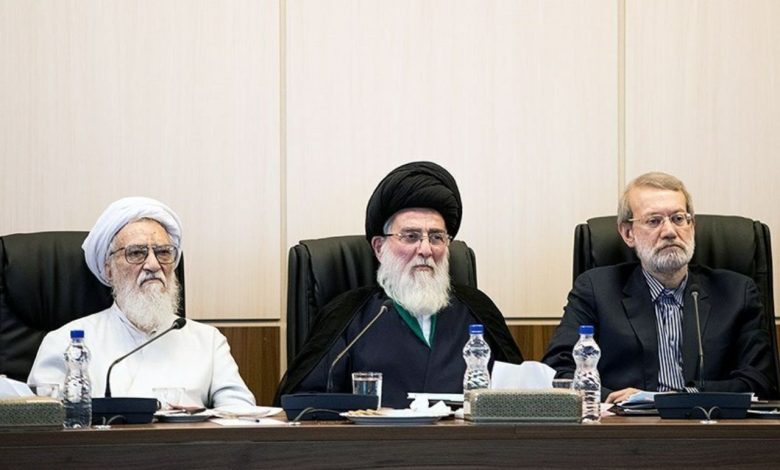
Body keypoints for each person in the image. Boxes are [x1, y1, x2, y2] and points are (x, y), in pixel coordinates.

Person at [275, 161, 523, 408]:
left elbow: (521, 400)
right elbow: (303, 405)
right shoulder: (347, 317)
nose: (425, 249)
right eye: (411, 236)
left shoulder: (478, 310)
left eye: (436, 237)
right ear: (379, 247)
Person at [543, 172, 775, 402]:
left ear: (692, 226)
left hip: (708, 422)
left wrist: (679, 398)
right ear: (628, 233)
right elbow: (557, 372)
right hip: (624, 423)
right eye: (654, 221)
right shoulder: (596, 290)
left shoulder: (737, 293)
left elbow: (760, 380)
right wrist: (611, 399)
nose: (670, 232)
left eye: (678, 218)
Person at [28, 197, 255, 408]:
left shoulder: (208, 342)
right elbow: (41, 421)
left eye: (163, 252)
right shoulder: (64, 343)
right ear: (109, 269)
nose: (153, 265)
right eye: (136, 253)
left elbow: (241, 416)